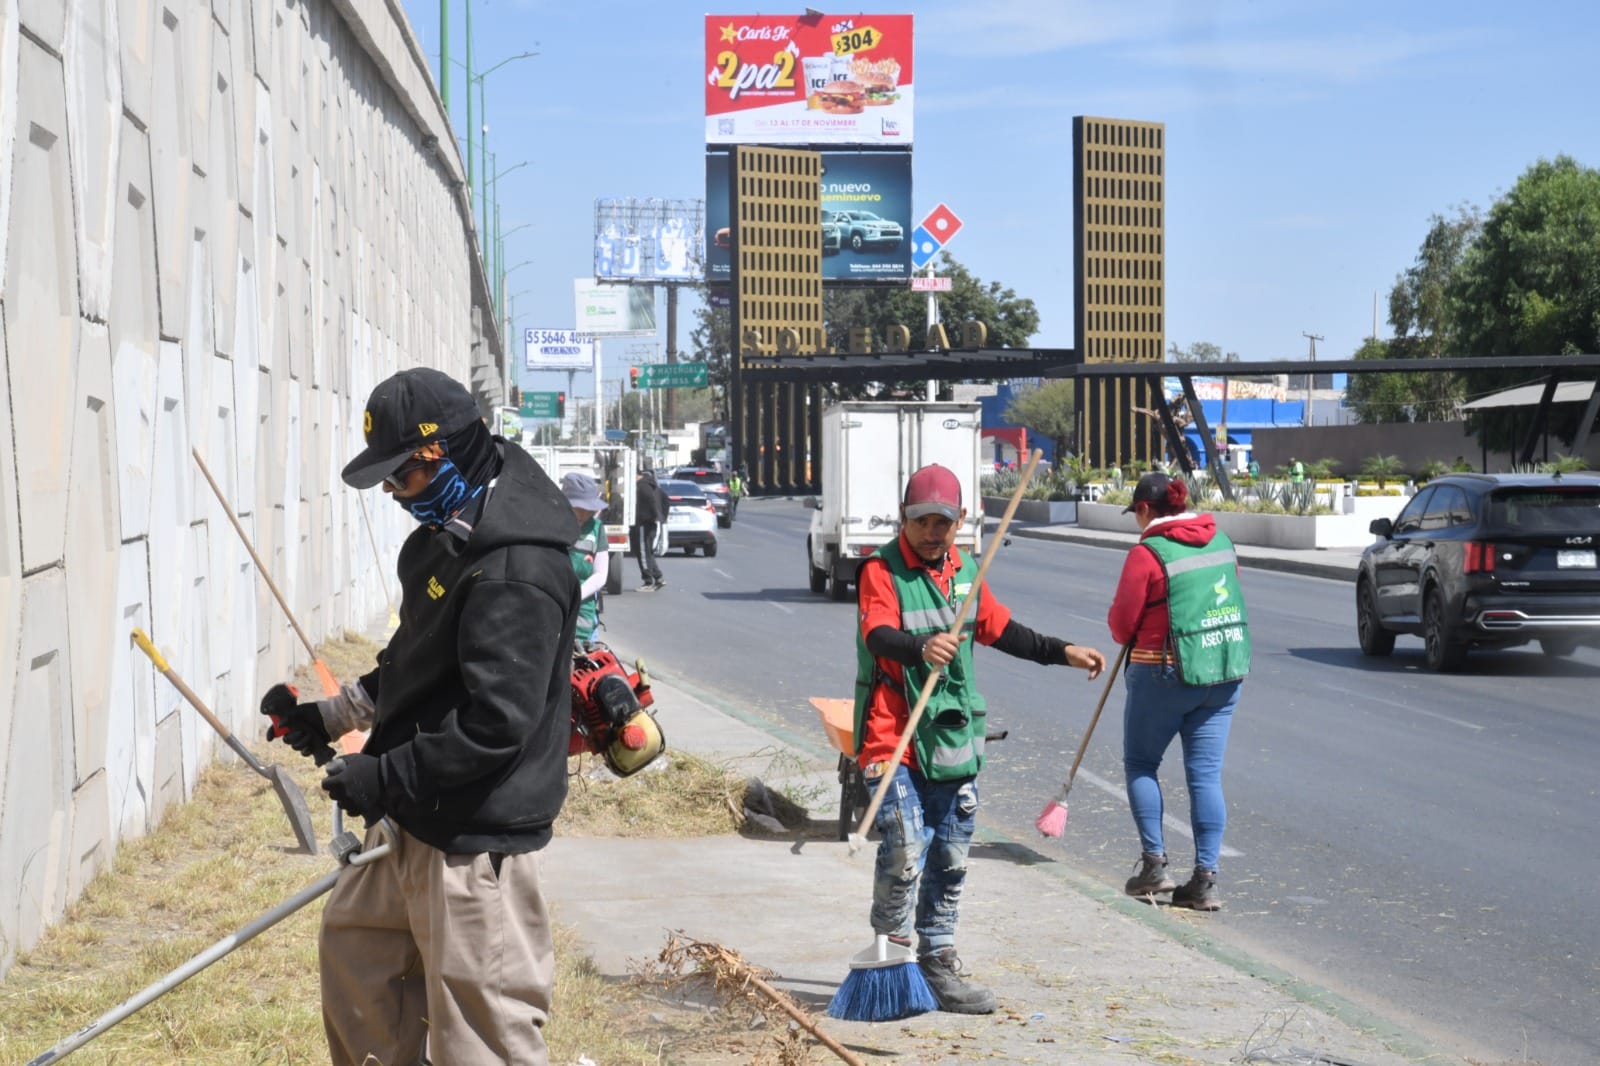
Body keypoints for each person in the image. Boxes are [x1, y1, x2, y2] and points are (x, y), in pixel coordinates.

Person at [258, 367, 580, 1065]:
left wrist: (385, 775)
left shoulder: (516, 568)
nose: (394, 499)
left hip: (473, 833)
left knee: (480, 1031)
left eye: (398, 480)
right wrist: (331, 714)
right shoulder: (446, 537)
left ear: (438, 457)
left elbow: (497, 724)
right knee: (359, 972)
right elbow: (415, 658)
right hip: (412, 816)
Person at [853, 463, 1108, 1013]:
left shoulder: (966, 569)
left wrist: (1065, 652)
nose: (931, 533)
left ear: (959, 521)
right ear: (904, 518)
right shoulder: (881, 570)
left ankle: (938, 963)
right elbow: (877, 634)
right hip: (892, 739)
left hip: (952, 742)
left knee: (949, 856)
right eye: (921, 521)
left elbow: (1004, 631)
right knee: (904, 850)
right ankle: (888, 956)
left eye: (941, 523)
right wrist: (920, 645)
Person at [1108, 472, 1249, 912]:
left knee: (1141, 763)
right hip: (1222, 673)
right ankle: (1205, 881)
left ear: (1146, 510)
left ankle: (1154, 867)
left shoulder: (1147, 554)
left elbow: (1120, 627)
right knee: (1205, 777)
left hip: (1163, 675)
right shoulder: (1222, 541)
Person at [562, 470, 610, 644]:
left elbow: (600, 575)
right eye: (579, 508)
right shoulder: (552, 525)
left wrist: (575, 596)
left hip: (584, 617)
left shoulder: (597, 528)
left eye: (589, 510)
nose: (585, 514)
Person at [633, 468, 667, 590]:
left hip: (644, 522)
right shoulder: (653, 485)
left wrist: (655, 516)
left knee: (642, 552)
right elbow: (665, 500)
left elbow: (651, 501)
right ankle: (658, 577)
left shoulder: (642, 486)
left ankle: (648, 582)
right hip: (650, 522)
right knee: (648, 552)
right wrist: (662, 517)